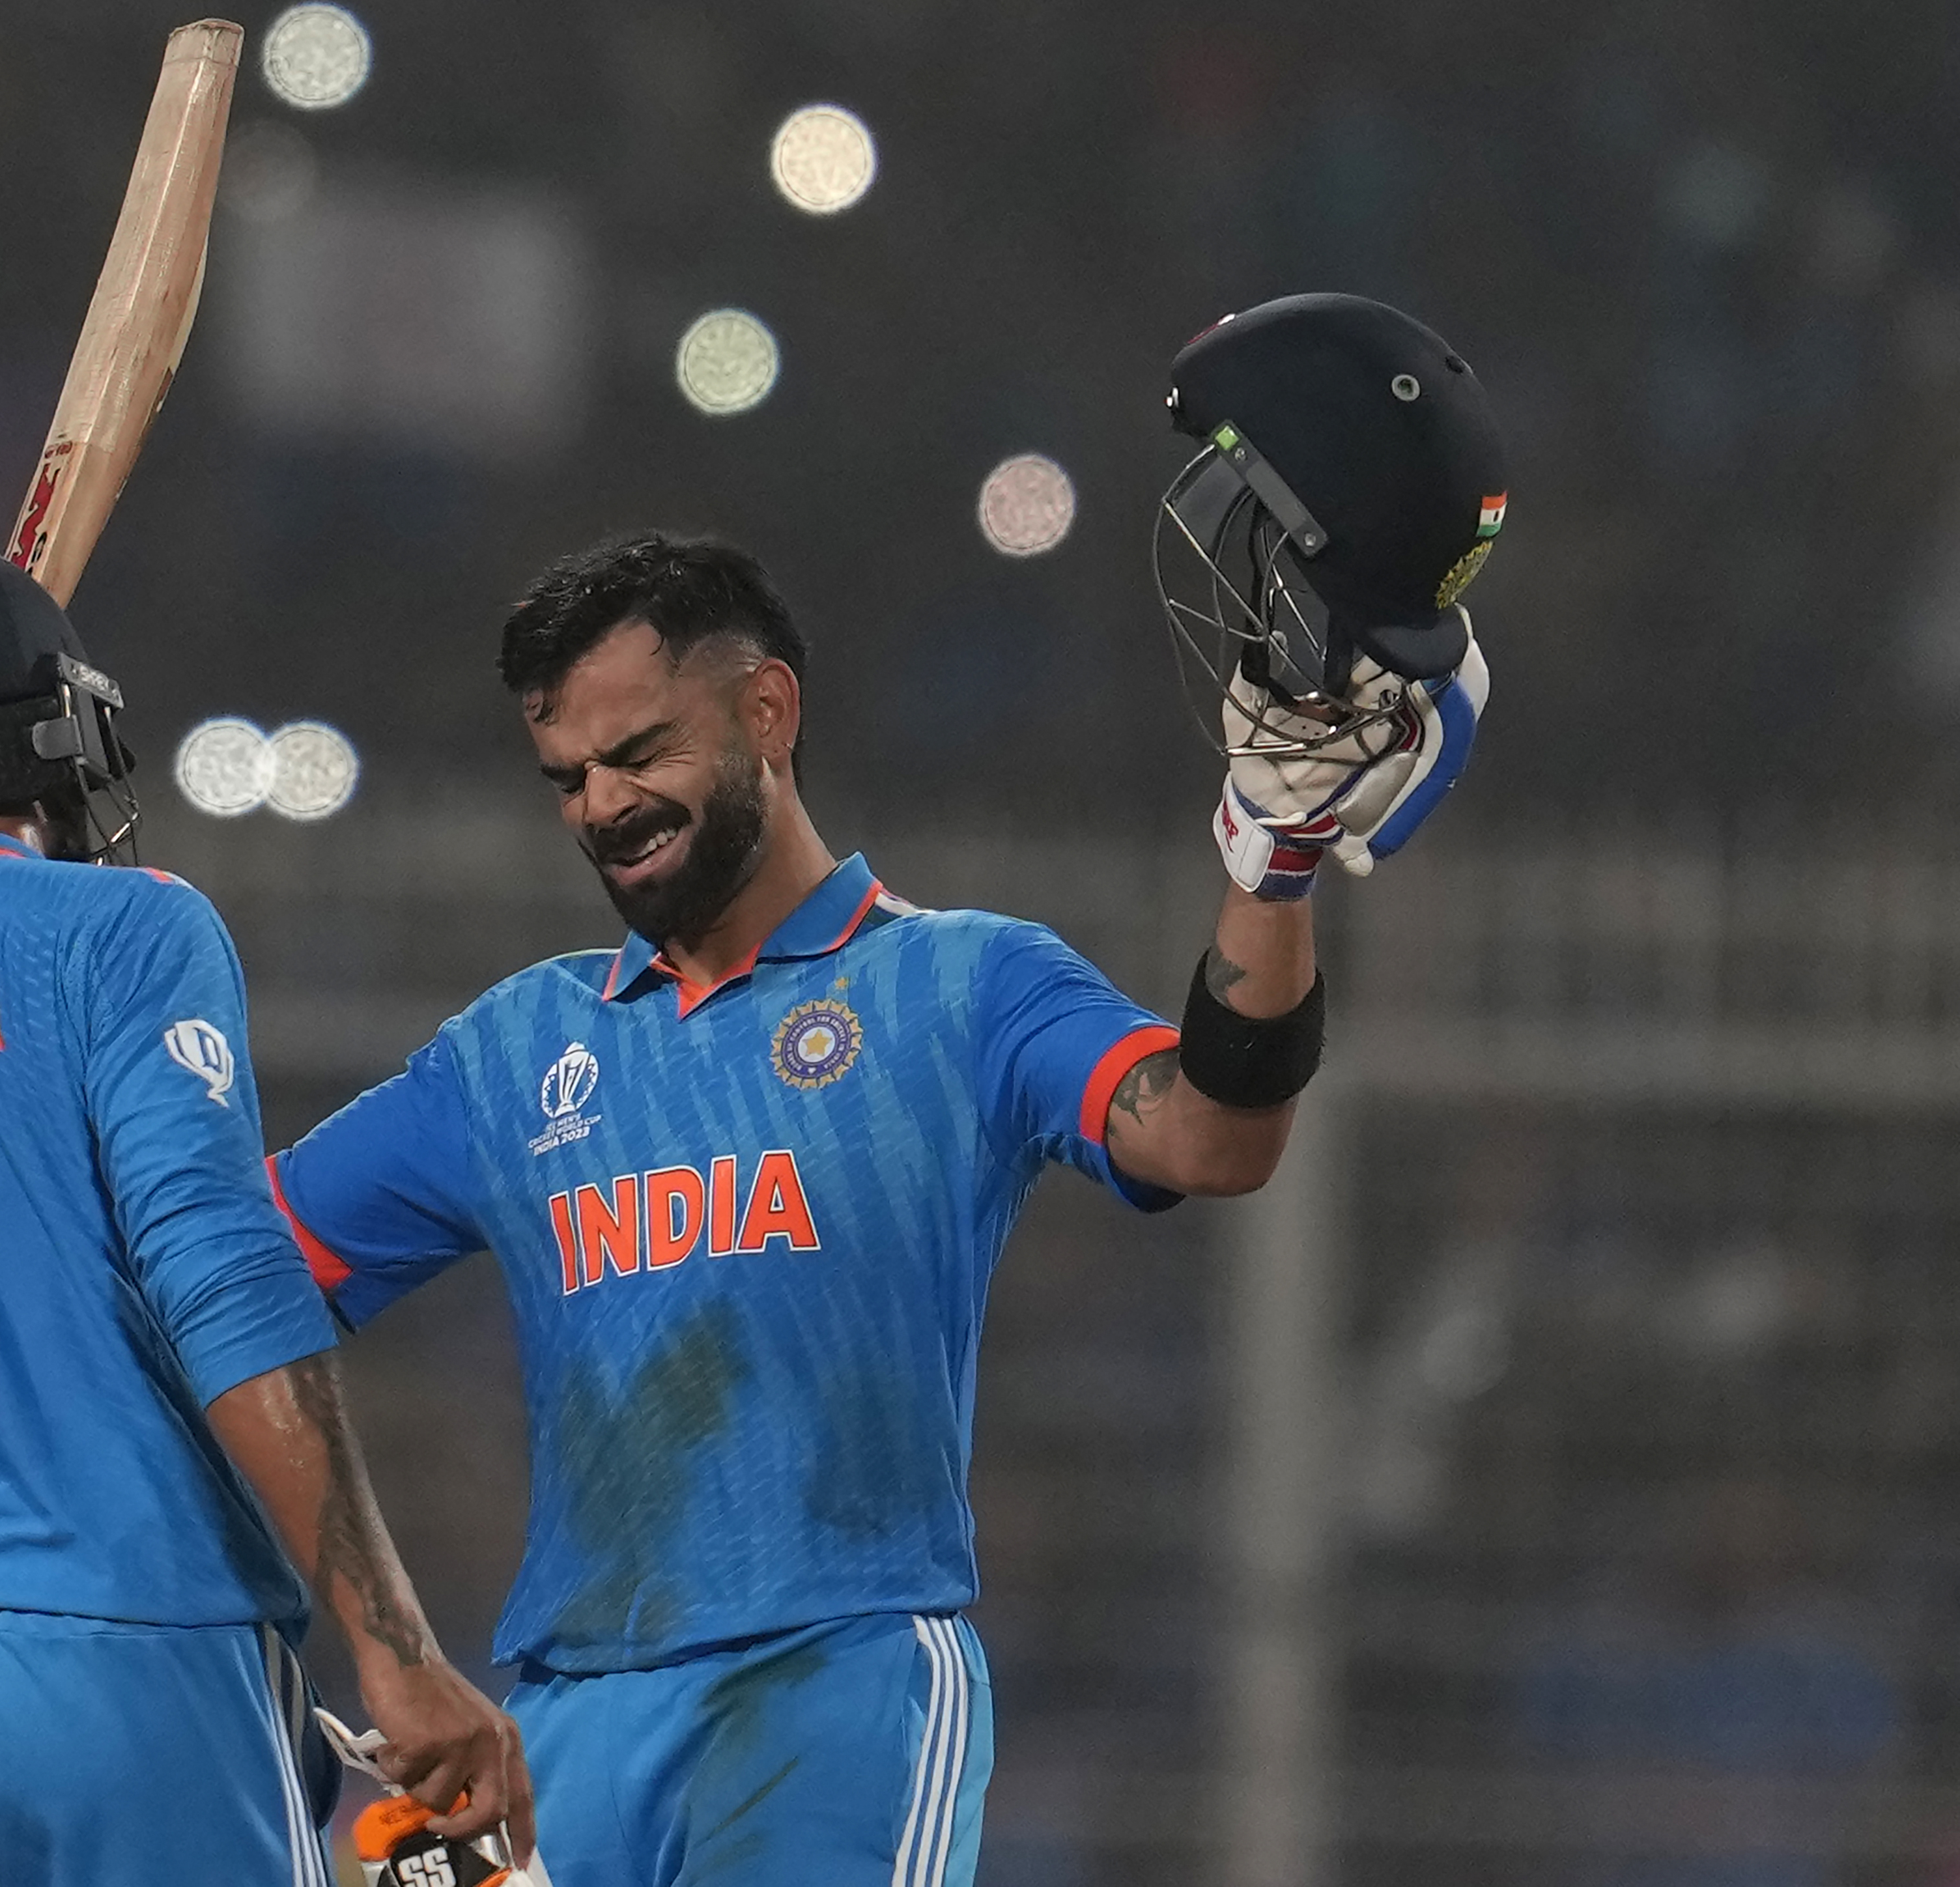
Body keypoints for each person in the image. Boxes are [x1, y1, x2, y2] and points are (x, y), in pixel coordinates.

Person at [269, 296, 1501, 1884]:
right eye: (568, 777)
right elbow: (231, 1280)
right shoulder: (513, 1050)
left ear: (767, 712)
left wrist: (1272, 863)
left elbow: (1211, 1132)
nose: (602, 807)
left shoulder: (963, 985)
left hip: (834, 1690)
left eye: (640, 752)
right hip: (562, 1722)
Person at [0, 545, 530, 1886]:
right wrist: (398, 1651)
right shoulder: (125, 932)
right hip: (125, 1635)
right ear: (52, 735)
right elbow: (222, 1279)